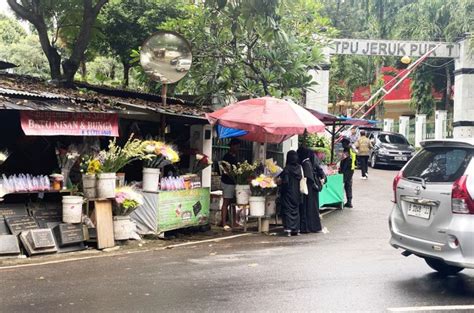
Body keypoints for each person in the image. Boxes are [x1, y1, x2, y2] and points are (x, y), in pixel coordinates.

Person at [297, 147, 323, 233]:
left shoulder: (305, 163)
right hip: (312, 191)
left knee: (308, 208)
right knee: (312, 209)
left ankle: (308, 227)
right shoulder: (309, 162)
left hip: (309, 190)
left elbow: (309, 178)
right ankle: (314, 227)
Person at [279, 150, 302, 237]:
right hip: (297, 193)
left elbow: (285, 182)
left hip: (288, 193)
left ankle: (288, 229)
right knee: (296, 210)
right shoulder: (299, 168)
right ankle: (296, 230)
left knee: (288, 211)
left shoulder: (287, 169)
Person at [220, 138, 241, 229]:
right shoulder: (227, 157)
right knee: (226, 202)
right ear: (232, 146)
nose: (238, 148)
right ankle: (224, 222)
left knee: (233, 202)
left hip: (233, 182)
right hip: (227, 182)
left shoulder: (234, 157)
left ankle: (234, 222)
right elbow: (226, 171)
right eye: (236, 146)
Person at [339, 138, 355, 208]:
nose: (342, 145)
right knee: (348, 185)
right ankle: (349, 201)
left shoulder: (347, 149)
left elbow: (346, 160)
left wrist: (342, 171)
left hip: (347, 170)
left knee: (343, 185)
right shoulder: (352, 148)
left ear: (345, 143)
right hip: (351, 169)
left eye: (343, 143)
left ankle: (342, 201)